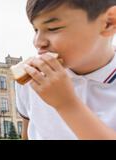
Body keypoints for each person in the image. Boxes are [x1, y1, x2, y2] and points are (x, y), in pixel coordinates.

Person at [16, 0, 116, 140]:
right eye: (36, 29)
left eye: (53, 28)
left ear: (108, 23)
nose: (38, 42)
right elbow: (28, 133)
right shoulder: (32, 79)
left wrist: (66, 104)